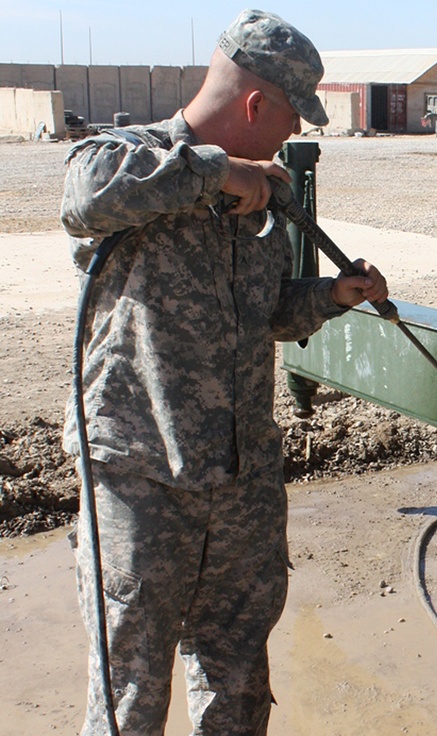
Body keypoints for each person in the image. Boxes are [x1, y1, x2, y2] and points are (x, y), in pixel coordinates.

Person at [60, 9, 388, 734]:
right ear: (254, 103)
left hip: (240, 490)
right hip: (142, 488)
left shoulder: (260, 203)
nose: (291, 136)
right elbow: (83, 193)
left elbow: (264, 314)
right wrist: (216, 171)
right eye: (291, 116)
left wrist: (332, 297)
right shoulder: (136, 158)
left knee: (237, 687)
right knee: (128, 701)